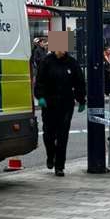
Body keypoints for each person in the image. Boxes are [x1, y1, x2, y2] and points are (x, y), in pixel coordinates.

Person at [34, 48, 86, 177]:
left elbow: (79, 82)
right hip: (49, 103)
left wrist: (81, 99)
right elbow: (39, 81)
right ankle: (50, 155)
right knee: (48, 133)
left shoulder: (72, 63)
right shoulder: (46, 62)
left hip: (66, 104)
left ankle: (60, 166)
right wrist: (40, 97)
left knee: (63, 136)